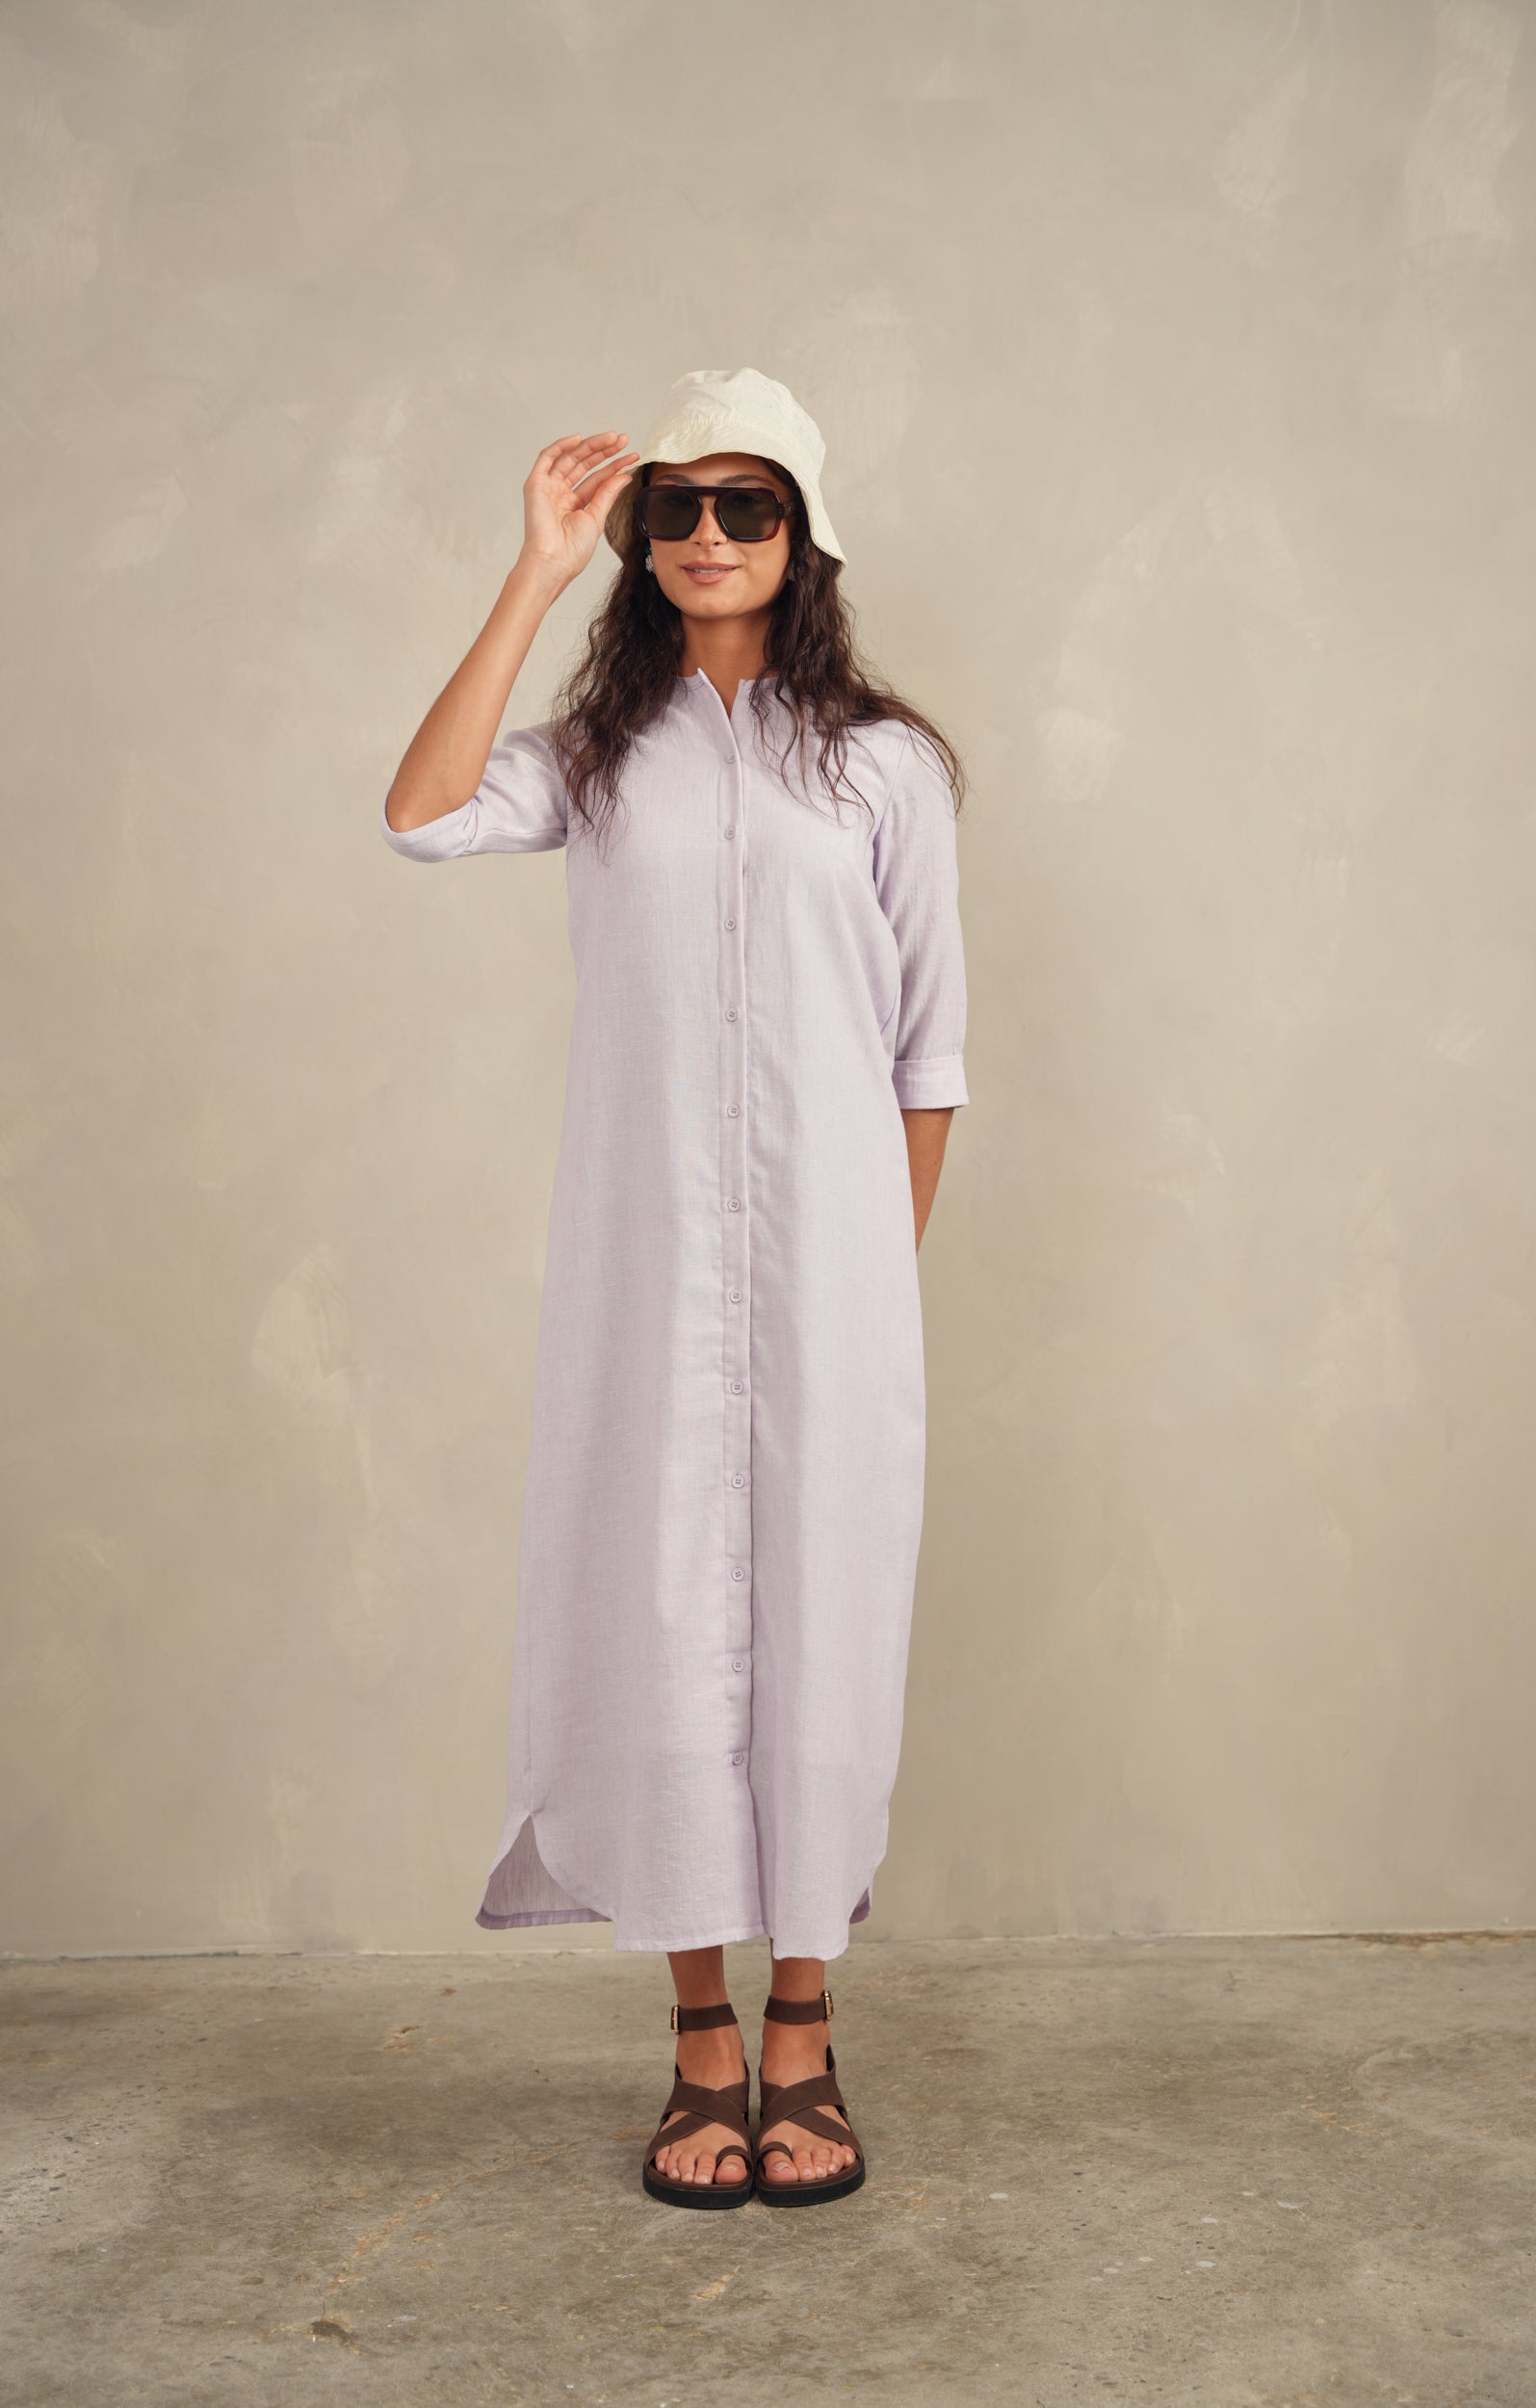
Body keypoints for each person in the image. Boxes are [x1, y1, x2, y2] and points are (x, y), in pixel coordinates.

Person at [382, 368, 970, 2209]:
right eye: (677, 508)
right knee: (657, 1626)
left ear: (805, 535)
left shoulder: (882, 767)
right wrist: (535, 571)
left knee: (821, 1631)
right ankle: (700, 2037)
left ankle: (806, 2030)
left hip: (835, 1283)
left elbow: (930, 1055)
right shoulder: (598, 756)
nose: (710, 534)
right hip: (643, 1278)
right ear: (645, 542)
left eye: (748, 505)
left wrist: (876, 1282)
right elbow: (419, 813)